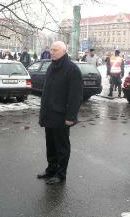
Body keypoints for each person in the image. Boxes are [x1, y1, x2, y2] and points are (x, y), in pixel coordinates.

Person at [37, 41, 83, 185]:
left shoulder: (72, 69)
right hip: (49, 114)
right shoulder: (52, 66)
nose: (52, 52)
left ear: (64, 51)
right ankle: (51, 169)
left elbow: (75, 97)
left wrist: (71, 117)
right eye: (51, 49)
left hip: (62, 116)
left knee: (61, 147)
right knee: (50, 145)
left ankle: (61, 174)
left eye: (55, 50)